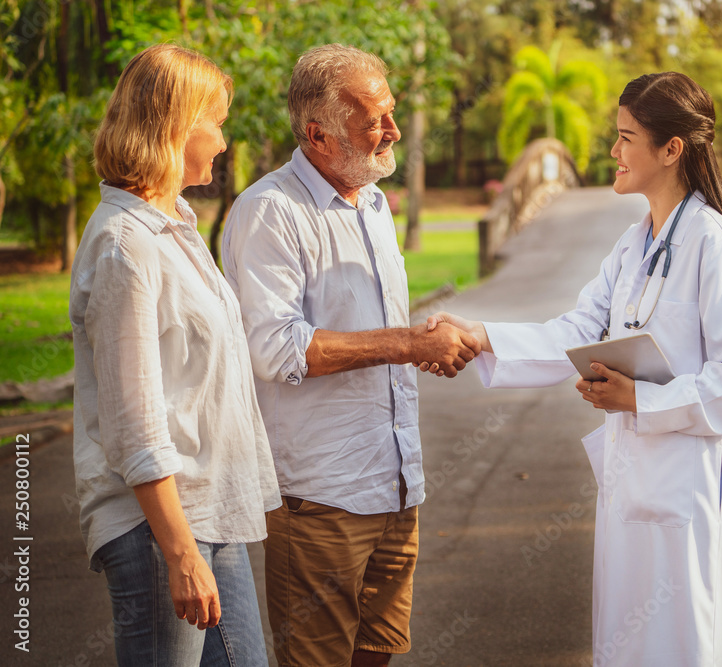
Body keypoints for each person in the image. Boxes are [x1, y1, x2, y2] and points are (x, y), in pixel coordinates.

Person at [426, 72, 722, 666]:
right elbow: (578, 331)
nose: (612, 152)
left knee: (689, 647)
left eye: (625, 138)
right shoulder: (635, 244)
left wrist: (642, 400)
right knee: (630, 645)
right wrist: (479, 336)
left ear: (671, 150)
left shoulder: (715, 244)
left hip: (691, 491)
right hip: (634, 484)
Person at [221, 44, 480, 667]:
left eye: (392, 113)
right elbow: (276, 347)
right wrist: (408, 344)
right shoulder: (269, 212)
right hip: (320, 497)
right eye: (375, 121)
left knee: (377, 653)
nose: (392, 130)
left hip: (392, 482)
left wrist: (416, 343)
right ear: (318, 135)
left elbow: (366, 330)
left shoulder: (371, 201)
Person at [70, 43, 280, 665]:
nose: (222, 140)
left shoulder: (174, 229)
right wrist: (182, 553)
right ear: (172, 125)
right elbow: (134, 424)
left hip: (207, 515)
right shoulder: (126, 247)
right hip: (160, 528)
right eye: (214, 122)